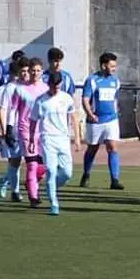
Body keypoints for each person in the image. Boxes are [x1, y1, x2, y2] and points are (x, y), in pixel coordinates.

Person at [29, 71, 82, 216]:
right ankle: (54, 203)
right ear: (49, 85)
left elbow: (74, 117)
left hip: (63, 139)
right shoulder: (40, 101)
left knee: (67, 173)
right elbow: (33, 121)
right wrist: (32, 140)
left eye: (58, 87)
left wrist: (77, 138)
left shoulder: (67, 98)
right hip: (47, 139)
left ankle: (50, 187)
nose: (55, 90)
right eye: (53, 87)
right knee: (51, 171)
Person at [78, 52, 124, 190]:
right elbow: (85, 99)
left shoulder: (115, 81)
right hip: (96, 121)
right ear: (104, 66)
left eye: (115, 66)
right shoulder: (92, 80)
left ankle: (114, 179)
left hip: (111, 120)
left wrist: (116, 111)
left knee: (113, 147)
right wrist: (90, 114)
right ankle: (86, 174)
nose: (114, 69)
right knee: (93, 148)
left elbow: (115, 99)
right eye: (112, 66)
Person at [11, 57, 49, 207]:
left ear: (42, 72)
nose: (35, 73)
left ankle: (30, 182)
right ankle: (33, 197)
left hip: (43, 131)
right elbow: (13, 110)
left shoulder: (46, 89)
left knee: (43, 165)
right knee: (31, 164)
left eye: (38, 70)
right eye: (33, 70)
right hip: (26, 130)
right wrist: (9, 128)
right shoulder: (20, 89)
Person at [0, 57, 30, 202]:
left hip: (29, 130)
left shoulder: (32, 87)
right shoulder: (10, 88)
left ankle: (6, 179)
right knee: (15, 161)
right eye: (23, 71)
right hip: (14, 129)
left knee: (32, 161)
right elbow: (2, 110)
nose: (25, 74)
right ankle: (15, 192)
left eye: (28, 71)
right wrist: (4, 131)